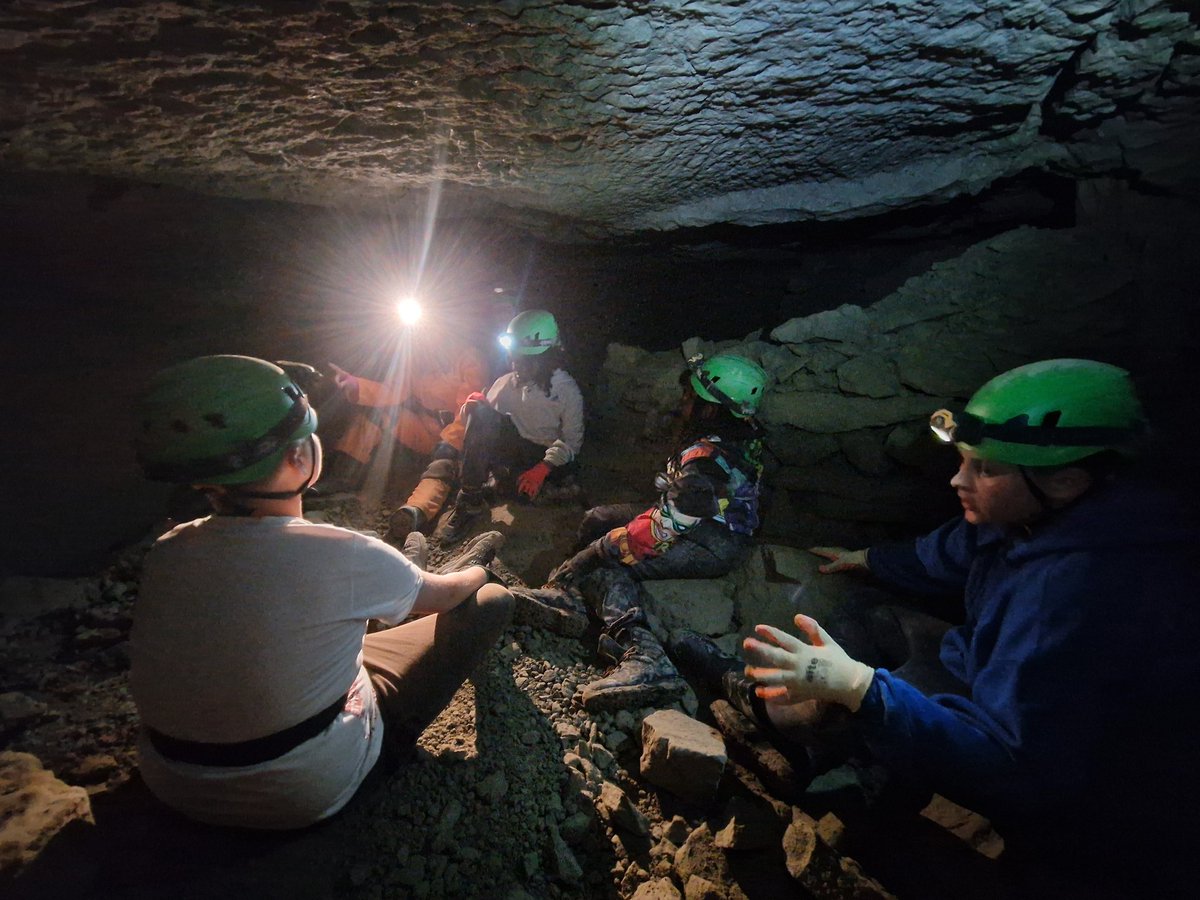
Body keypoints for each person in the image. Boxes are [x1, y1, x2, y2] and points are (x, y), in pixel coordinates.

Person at [669, 358, 1199, 896]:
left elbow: (1018, 770)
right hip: (991, 675)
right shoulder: (1059, 512)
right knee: (875, 618)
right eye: (963, 459)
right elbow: (961, 546)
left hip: (1075, 796)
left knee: (845, 699)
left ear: (1064, 479)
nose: (957, 479)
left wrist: (859, 688)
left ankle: (773, 717)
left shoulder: (1072, 598)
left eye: (984, 468)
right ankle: (851, 743)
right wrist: (871, 558)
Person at [130, 355, 513, 829]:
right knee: (492, 603)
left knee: (344, 611)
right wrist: (475, 571)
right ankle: (380, 754)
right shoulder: (340, 553)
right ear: (297, 457)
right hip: (307, 791)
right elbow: (448, 595)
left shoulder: (169, 550)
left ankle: (398, 581)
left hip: (171, 783)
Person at [514, 352, 770, 712]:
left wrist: (598, 552)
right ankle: (568, 595)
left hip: (713, 539)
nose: (684, 401)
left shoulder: (706, 461)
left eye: (691, 397)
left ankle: (646, 657)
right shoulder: (735, 435)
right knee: (598, 518)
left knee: (609, 565)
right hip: (702, 517)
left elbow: (666, 526)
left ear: (711, 409)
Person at [433, 309, 585, 543]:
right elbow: (478, 425)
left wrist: (543, 469)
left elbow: (572, 441)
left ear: (545, 357)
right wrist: (470, 407)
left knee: (527, 492)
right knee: (482, 412)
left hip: (544, 455)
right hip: (516, 449)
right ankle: (470, 499)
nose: (516, 364)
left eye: (525, 359)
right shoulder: (506, 383)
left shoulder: (565, 390)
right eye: (514, 357)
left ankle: (517, 484)